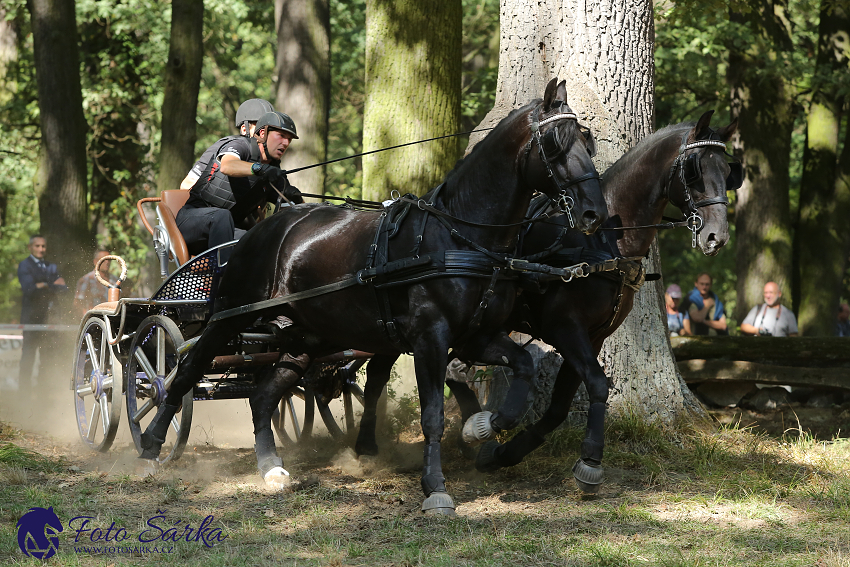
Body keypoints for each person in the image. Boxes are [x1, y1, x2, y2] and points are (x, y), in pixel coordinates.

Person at [175, 111, 304, 255]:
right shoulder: (240, 145)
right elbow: (227, 166)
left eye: (289, 139)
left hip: (226, 232)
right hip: (191, 223)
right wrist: (259, 168)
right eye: (281, 136)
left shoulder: (274, 172)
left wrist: (297, 199)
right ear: (262, 133)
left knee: (264, 242)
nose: (286, 143)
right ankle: (223, 277)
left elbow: (290, 211)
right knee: (222, 216)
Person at [179, 98, 275, 191]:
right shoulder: (227, 146)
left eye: (270, 130)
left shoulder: (268, 156)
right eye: (260, 128)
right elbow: (187, 184)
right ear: (244, 130)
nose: (265, 134)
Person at [17, 235, 67, 394]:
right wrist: (51, 285)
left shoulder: (51, 266)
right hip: (32, 321)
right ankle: (23, 396)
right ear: (30, 247)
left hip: (49, 321)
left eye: (43, 246)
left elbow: (64, 289)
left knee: (47, 360)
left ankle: (43, 396)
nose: (41, 249)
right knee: (28, 359)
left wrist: (43, 285)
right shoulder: (24, 265)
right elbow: (29, 289)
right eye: (37, 246)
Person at [74, 250, 118, 316]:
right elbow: (78, 303)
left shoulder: (116, 280)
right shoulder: (86, 280)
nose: (107, 262)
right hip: (94, 319)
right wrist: (87, 319)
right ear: (95, 262)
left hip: (113, 318)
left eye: (109, 260)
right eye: (104, 260)